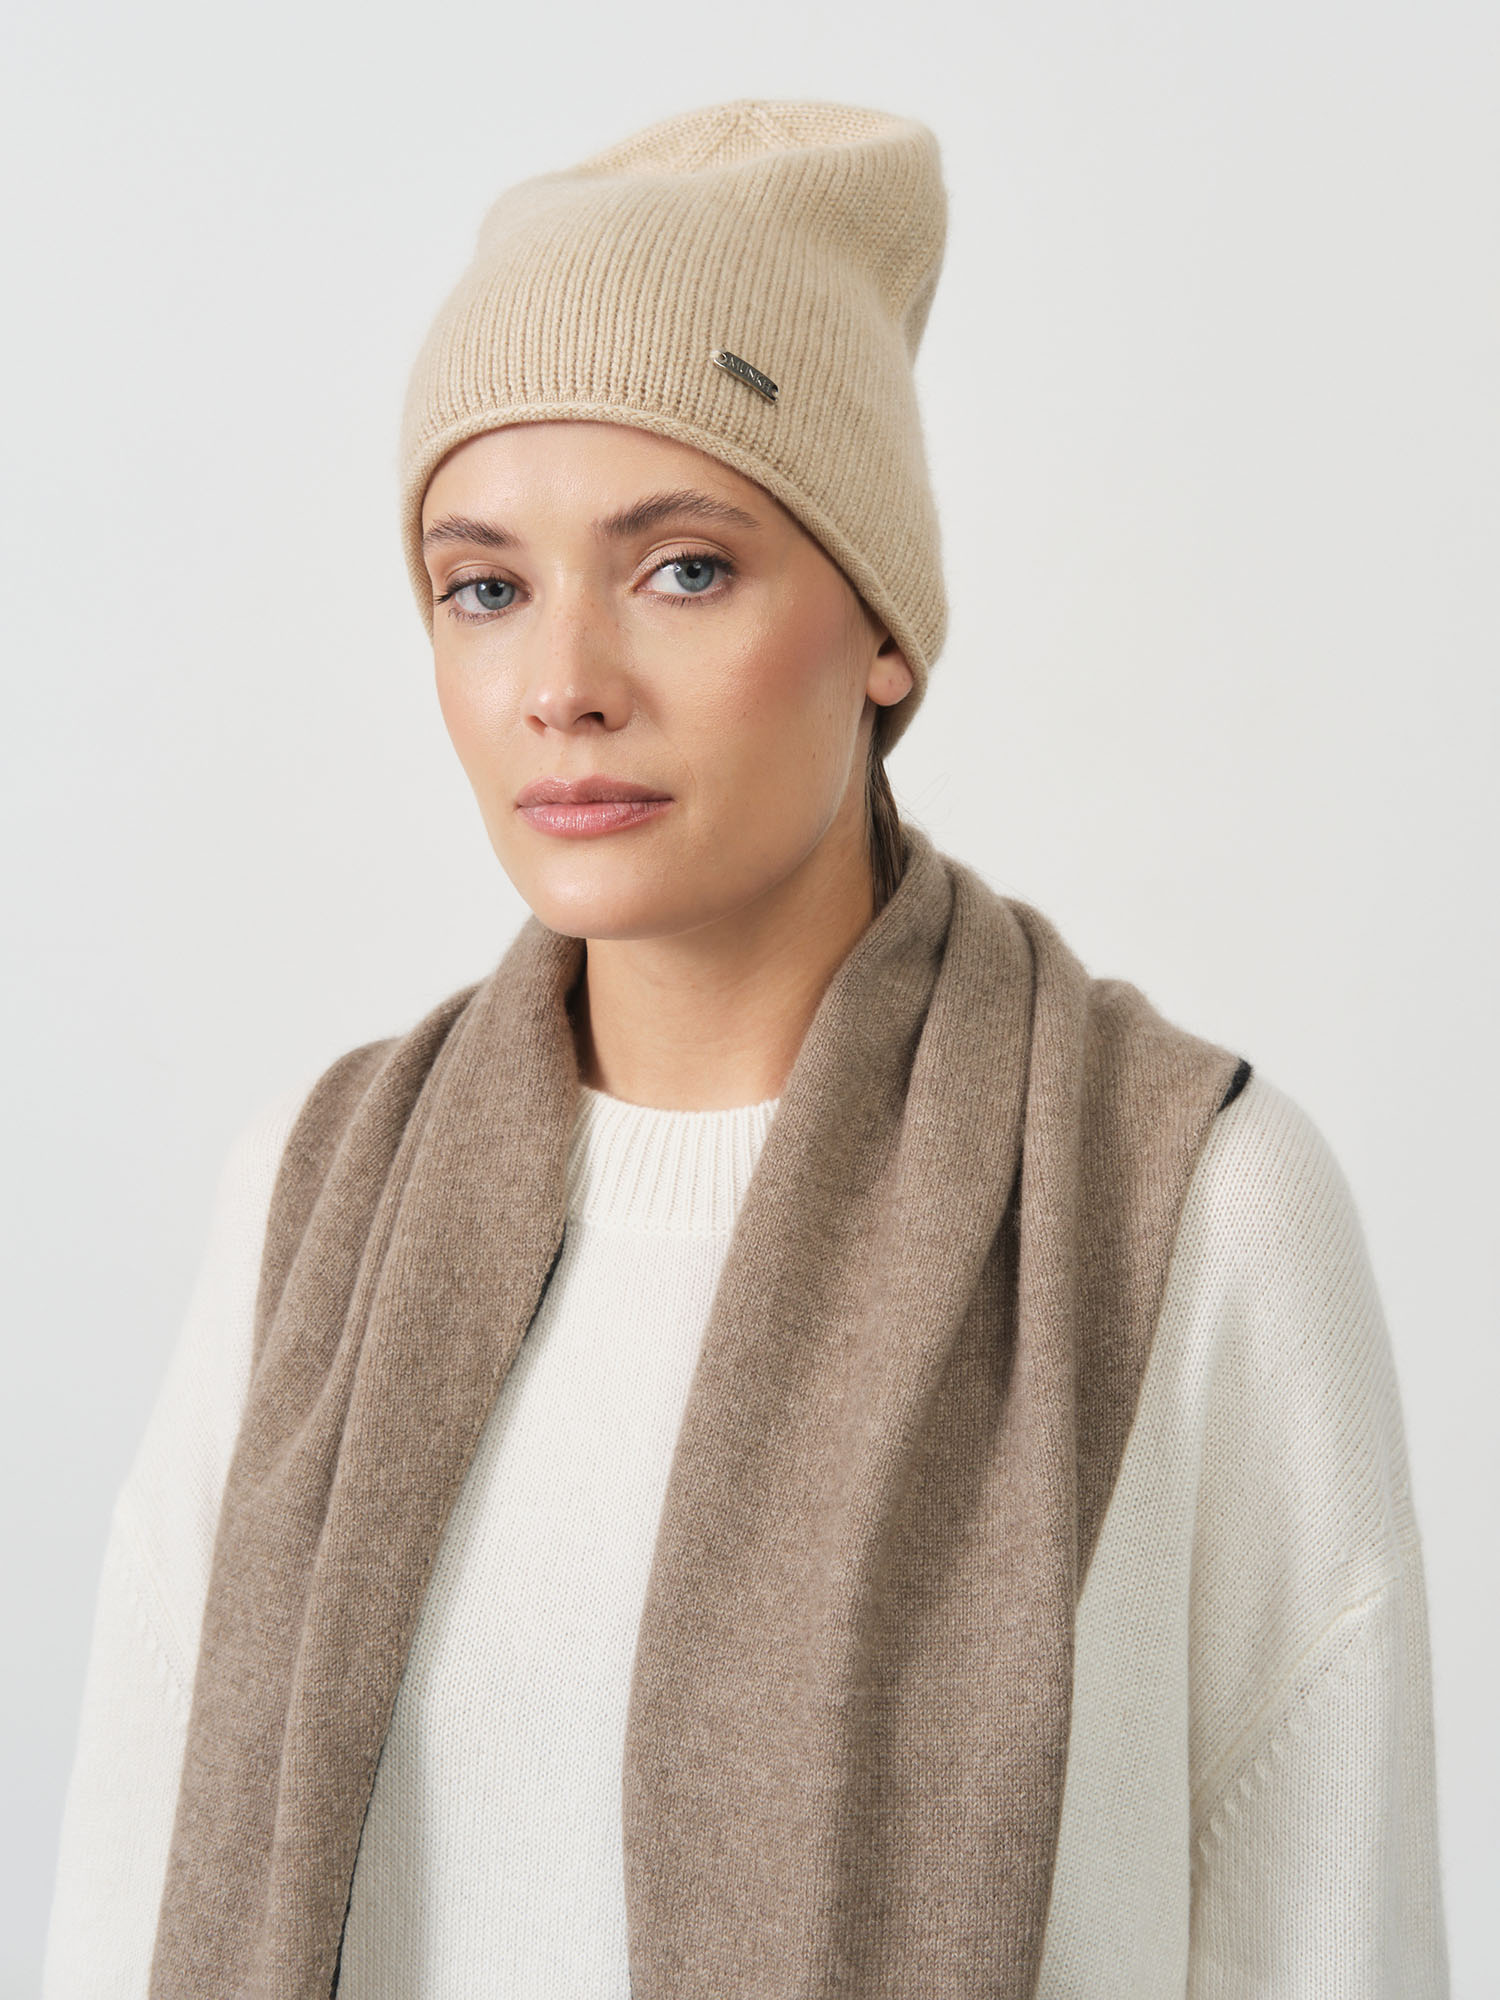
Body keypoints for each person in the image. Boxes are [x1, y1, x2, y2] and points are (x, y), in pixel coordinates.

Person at [43, 100, 1447, 1999]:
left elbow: (1335, 1945)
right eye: (485, 587)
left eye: (683, 567)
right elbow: (122, 1913)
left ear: (881, 627)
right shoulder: (308, 1204)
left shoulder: (1188, 1205)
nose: (564, 684)